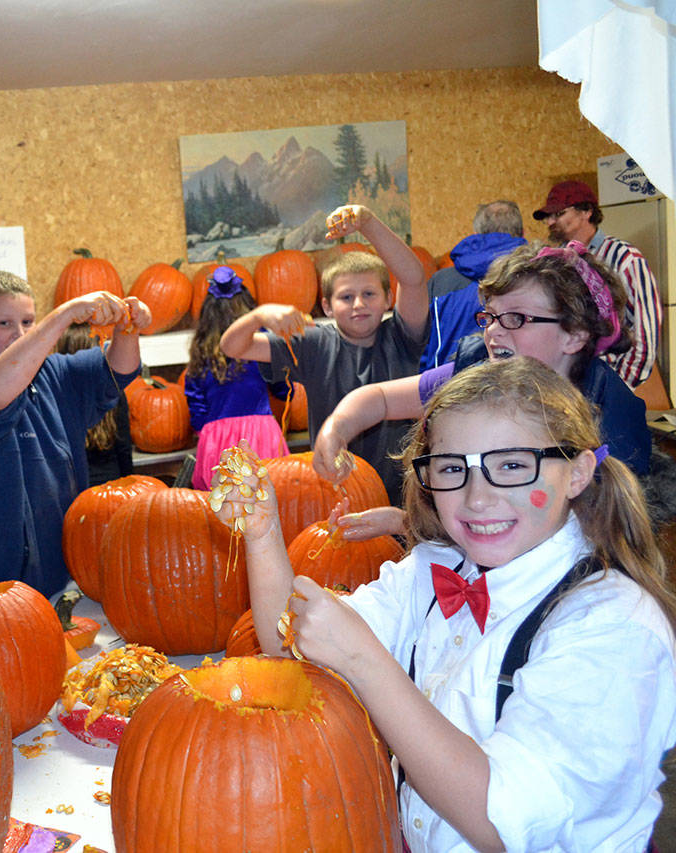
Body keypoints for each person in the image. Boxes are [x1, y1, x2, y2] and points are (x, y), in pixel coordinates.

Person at [212, 356, 676, 851]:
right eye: (454, 468)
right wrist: (262, 534)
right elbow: (291, 653)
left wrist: (362, 659)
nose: (477, 498)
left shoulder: (614, 628)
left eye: (513, 465)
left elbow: (501, 823)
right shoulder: (434, 572)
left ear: (579, 472)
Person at [314, 241, 652, 542]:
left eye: (516, 319)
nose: (493, 332)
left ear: (575, 334)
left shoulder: (613, 420)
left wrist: (410, 526)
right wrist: (336, 429)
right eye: (489, 316)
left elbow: (585, 538)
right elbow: (380, 399)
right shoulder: (479, 369)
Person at [0, 270, 149, 597]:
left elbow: (118, 368)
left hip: (65, 577)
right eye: (4, 324)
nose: (19, 334)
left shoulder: (55, 373)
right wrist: (63, 316)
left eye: (27, 321)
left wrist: (128, 327)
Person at [220, 204, 430, 505]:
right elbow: (232, 347)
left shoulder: (402, 335)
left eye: (369, 294)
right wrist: (259, 316)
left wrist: (367, 222)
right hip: (335, 491)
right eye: (346, 297)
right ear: (327, 307)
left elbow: (413, 278)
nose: (358, 303)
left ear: (387, 299)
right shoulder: (313, 343)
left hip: (404, 493)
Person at [533, 179, 660, 388]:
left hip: (607, 379)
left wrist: (619, 387)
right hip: (564, 385)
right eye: (547, 217)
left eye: (559, 214)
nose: (550, 222)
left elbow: (645, 332)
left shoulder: (625, 258)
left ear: (586, 212)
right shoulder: (555, 262)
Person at [184, 264, 288, 489]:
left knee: (223, 508)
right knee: (266, 502)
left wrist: (209, 435)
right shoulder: (260, 341)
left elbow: (196, 404)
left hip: (217, 439)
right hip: (260, 434)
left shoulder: (201, 349)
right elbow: (283, 390)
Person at [421, 200, 526, 369]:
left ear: (476, 233)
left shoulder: (440, 282)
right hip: (517, 385)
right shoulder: (537, 278)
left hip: (444, 387)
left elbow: (419, 345)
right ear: (523, 233)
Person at [56, 322, 134, 487]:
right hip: (112, 486)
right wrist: (130, 488)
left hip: (72, 487)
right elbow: (124, 451)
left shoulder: (55, 395)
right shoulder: (113, 392)